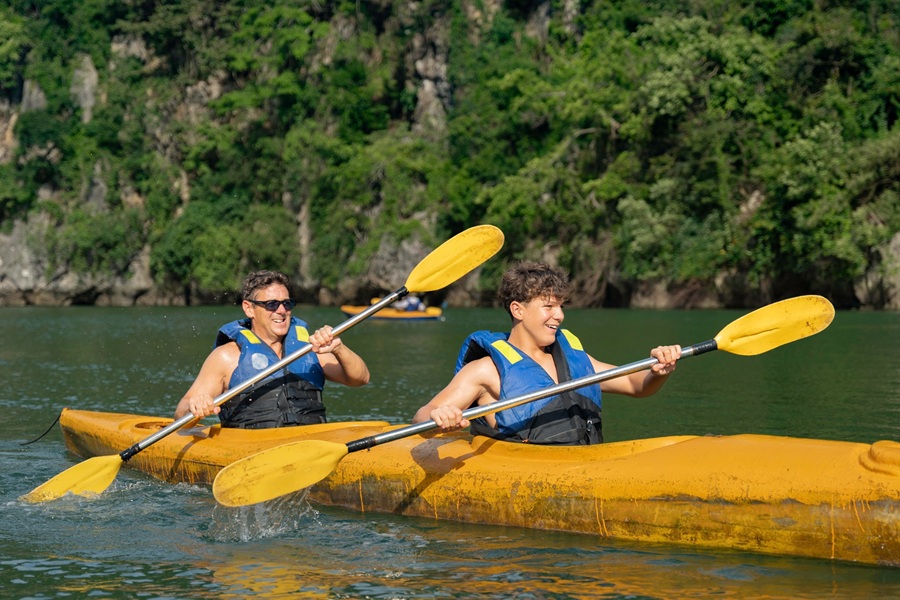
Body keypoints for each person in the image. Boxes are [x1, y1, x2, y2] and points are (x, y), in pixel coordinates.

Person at [412, 261, 681, 445]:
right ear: (518, 310)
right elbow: (422, 417)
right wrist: (440, 416)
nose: (560, 315)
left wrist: (659, 370)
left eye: (561, 306)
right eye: (549, 306)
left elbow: (637, 385)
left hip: (583, 464)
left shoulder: (575, 360)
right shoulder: (486, 370)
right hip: (523, 473)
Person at [174, 270, 370, 429]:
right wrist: (196, 405)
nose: (281, 311)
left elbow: (361, 378)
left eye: (287, 303)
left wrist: (339, 348)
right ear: (249, 308)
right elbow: (180, 414)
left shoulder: (310, 349)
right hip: (253, 450)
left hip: (310, 444)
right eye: (271, 304)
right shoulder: (227, 356)